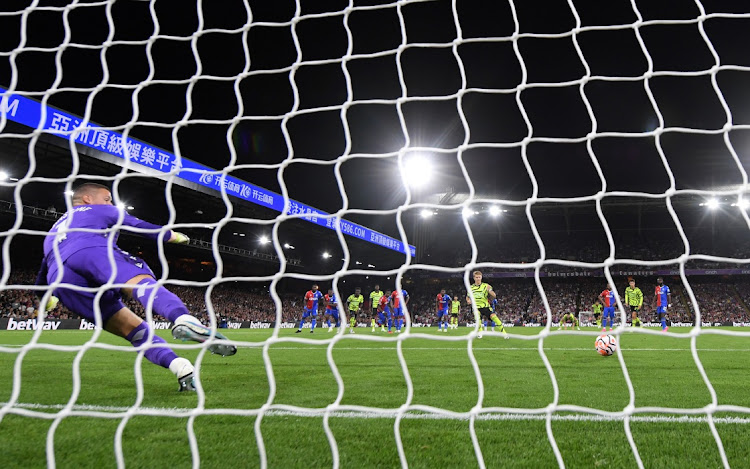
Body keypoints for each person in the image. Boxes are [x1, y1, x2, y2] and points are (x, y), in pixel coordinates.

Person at [35, 183, 235, 392]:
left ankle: (181, 367)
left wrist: (47, 299)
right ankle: (184, 320)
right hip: (91, 250)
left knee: (134, 331)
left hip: (60, 279)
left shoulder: (53, 231)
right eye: (107, 199)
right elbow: (138, 225)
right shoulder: (99, 209)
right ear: (87, 199)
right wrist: (172, 236)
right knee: (142, 282)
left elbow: (42, 274)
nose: (110, 203)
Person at [466, 271, 507, 339]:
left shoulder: (486, 286)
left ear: (481, 277)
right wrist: (468, 300)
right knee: (477, 316)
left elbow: (494, 296)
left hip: (485, 306)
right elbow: (467, 296)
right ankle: (480, 333)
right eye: (476, 277)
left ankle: (504, 333)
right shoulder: (471, 287)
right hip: (476, 307)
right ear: (474, 278)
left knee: (494, 317)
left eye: (479, 277)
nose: (478, 279)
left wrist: (490, 291)